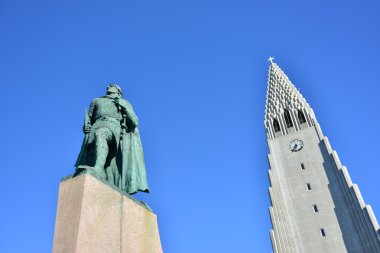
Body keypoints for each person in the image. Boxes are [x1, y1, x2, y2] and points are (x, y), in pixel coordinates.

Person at [75, 84, 149, 194]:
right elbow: (89, 121)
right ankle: (102, 172)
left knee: (101, 133)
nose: (110, 86)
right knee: (98, 138)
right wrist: (85, 127)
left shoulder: (124, 102)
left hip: (113, 127)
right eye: (109, 85)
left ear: (119, 92)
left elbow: (135, 121)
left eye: (113, 86)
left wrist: (124, 107)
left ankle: (98, 168)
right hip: (96, 127)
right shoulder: (96, 101)